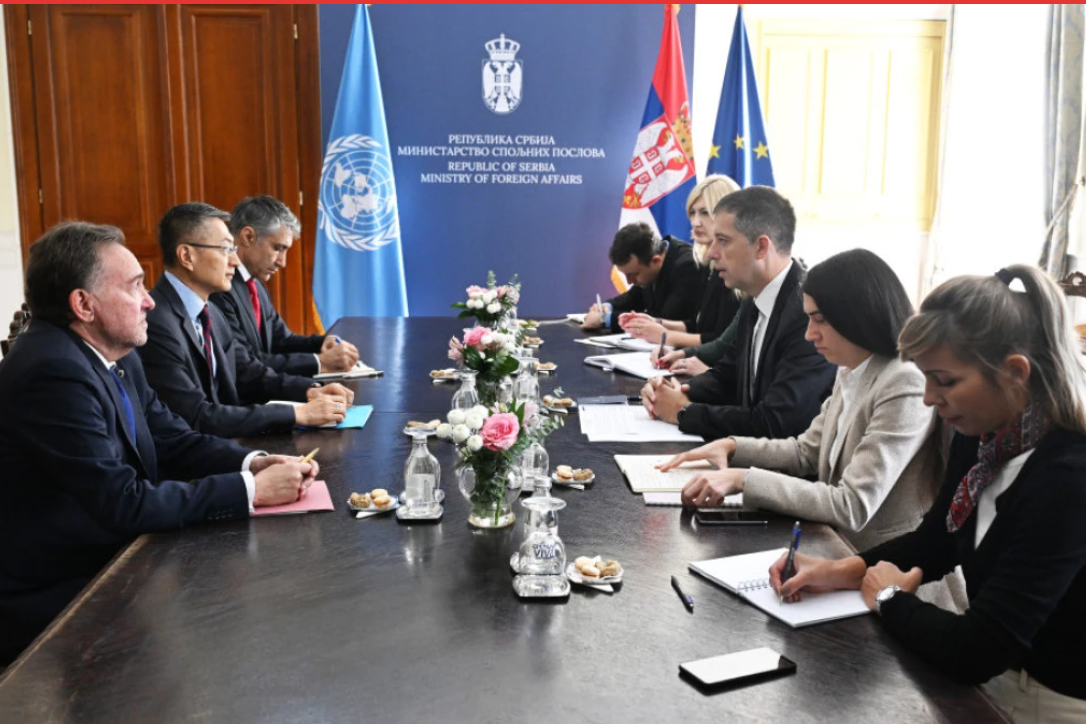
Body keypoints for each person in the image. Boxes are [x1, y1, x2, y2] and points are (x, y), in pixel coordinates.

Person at [769, 265, 1086, 722]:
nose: (928, 398)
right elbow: (937, 540)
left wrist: (889, 598)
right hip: (999, 680)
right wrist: (841, 570)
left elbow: (978, 650)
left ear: (1016, 373)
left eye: (945, 380)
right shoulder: (984, 435)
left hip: (1050, 698)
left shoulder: (1067, 478)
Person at [0, 222, 318, 665]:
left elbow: (172, 438)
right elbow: (122, 502)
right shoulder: (52, 372)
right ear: (84, 305)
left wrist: (252, 463)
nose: (149, 300)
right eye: (134, 286)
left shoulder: (114, 352)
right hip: (59, 589)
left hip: (114, 558)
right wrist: (250, 492)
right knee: (237, 623)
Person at [659, 249, 965, 609]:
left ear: (857, 315)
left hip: (894, 579)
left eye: (819, 320)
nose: (809, 334)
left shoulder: (904, 381)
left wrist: (744, 479)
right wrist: (731, 446)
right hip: (839, 561)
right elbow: (806, 451)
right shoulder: (852, 368)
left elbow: (852, 505)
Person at [139, 203, 352, 438]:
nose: (234, 261)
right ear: (187, 256)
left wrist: (310, 391)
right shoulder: (155, 323)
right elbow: (196, 417)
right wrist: (296, 414)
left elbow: (247, 374)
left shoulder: (210, 311)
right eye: (226, 249)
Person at [642, 186, 836, 441]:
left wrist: (683, 411)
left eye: (723, 241)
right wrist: (677, 390)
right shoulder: (754, 298)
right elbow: (728, 375)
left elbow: (776, 422)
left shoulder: (808, 314)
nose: (712, 253)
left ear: (761, 247)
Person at [211, 195, 361, 377]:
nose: (282, 262)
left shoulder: (256, 286)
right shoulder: (219, 288)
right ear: (248, 237)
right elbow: (244, 364)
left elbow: (281, 341)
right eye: (278, 248)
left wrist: (322, 344)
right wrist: (319, 362)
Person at [617, 175, 743, 351]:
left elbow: (722, 341)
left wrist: (664, 336)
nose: (695, 222)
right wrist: (656, 323)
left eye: (705, 212)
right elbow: (698, 325)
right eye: (692, 213)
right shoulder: (708, 264)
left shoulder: (737, 272)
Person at [581, 222, 703, 332]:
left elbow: (664, 319)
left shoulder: (688, 266)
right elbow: (634, 296)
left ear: (655, 261)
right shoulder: (650, 262)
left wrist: (604, 319)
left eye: (633, 275)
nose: (629, 282)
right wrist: (607, 307)